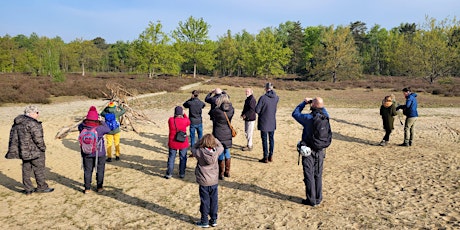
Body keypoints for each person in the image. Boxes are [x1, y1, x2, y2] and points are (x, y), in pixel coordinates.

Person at [5, 105, 54, 195]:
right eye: (37, 112)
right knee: (39, 169)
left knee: (26, 170)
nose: (38, 115)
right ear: (31, 113)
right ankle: (42, 187)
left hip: (23, 151)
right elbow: (38, 138)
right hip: (35, 151)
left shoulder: (17, 123)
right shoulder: (33, 123)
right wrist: (43, 148)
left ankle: (28, 189)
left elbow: (13, 137)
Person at [292, 97, 329, 207]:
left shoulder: (308, 118)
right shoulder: (326, 116)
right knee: (318, 174)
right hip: (321, 150)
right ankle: (318, 198)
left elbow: (295, 113)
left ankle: (311, 200)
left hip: (308, 149)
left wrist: (304, 102)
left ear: (313, 105)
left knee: (309, 174)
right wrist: (316, 103)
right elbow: (321, 107)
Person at [191, 134, 224, 228]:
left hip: (203, 181)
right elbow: (221, 146)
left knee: (205, 202)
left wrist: (200, 141)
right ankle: (213, 220)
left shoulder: (199, 152)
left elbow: (193, 147)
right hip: (213, 181)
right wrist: (215, 139)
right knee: (214, 201)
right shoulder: (216, 152)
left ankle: (204, 221)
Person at [78, 106, 111, 194]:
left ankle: (87, 188)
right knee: (100, 169)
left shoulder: (82, 126)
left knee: (87, 170)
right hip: (99, 153)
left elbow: (79, 126)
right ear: (96, 118)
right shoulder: (100, 128)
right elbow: (108, 129)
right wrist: (102, 121)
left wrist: (85, 120)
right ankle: (99, 187)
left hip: (86, 152)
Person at [209, 94, 234, 180]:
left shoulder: (216, 111)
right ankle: (227, 171)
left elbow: (211, 115)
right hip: (227, 132)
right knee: (227, 151)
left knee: (220, 152)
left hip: (218, 132)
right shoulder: (231, 110)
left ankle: (221, 173)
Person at [255, 82, 279, 163]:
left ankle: (265, 157)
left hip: (264, 121)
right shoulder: (276, 97)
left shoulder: (263, 98)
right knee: (271, 139)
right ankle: (270, 156)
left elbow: (257, 110)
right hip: (272, 121)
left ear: (265, 88)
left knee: (264, 140)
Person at [165, 106, 190, 179]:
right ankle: (182, 173)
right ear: (181, 113)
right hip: (183, 142)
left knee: (171, 158)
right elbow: (188, 121)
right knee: (183, 158)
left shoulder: (171, 120)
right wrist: (184, 114)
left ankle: (169, 173)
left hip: (173, 142)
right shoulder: (185, 120)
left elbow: (172, 119)